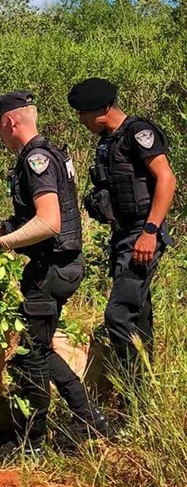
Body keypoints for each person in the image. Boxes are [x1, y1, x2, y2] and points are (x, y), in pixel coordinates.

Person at [0, 92, 111, 452]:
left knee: (28, 354)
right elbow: (22, 219)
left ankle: (32, 440)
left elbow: (48, 222)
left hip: (53, 269)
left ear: (9, 122)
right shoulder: (46, 154)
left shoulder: (36, 160)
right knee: (40, 348)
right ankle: (91, 421)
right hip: (55, 268)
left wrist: (0, 246)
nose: (0, 136)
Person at [68, 78, 176, 393]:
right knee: (138, 315)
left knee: (118, 317)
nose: (81, 120)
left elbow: (167, 179)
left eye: (84, 113)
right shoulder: (107, 140)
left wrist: (150, 232)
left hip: (141, 234)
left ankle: (132, 395)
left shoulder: (137, 133)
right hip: (122, 236)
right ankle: (144, 400)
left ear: (103, 109)